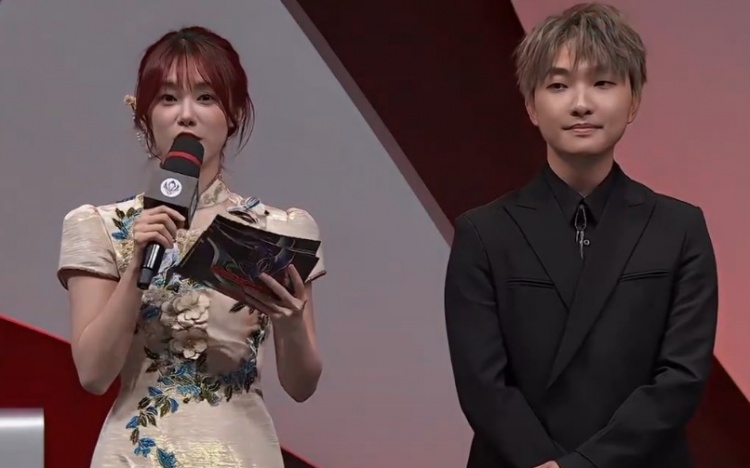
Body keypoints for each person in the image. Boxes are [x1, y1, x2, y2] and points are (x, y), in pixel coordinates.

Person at [444, 3, 718, 468]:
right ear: (531, 105)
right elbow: (482, 383)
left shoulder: (679, 228)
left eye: (602, 83)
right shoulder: (483, 232)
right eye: (558, 85)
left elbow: (681, 378)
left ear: (633, 101)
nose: (581, 103)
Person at [57, 26, 326, 467]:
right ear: (145, 116)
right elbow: (93, 375)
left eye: (205, 97)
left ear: (233, 113)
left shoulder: (279, 229)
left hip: (241, 452)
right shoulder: (100, 226)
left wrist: (292, 322)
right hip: (136, 454)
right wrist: (136, 268)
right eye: (168, 98)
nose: (186, 115)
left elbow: (302, 386)